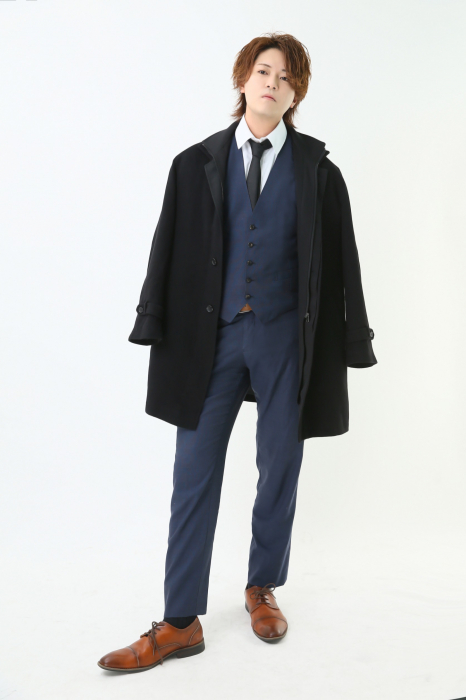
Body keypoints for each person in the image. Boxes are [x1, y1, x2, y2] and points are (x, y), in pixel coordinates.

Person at [98, 31, 377, 673]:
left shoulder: (319, 172)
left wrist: (353, 337)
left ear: (296, 93)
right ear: (243, 79)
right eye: (263, 71)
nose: (273, 83)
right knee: (193, 472)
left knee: (280, 465)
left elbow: (344, 263)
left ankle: (261, 586)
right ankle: (179, 622)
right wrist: (151, 320)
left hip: (285, 340)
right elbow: (166, 247)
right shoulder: (194, 163)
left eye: (286, 76)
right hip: (211, 337)